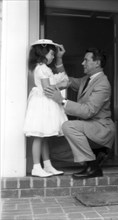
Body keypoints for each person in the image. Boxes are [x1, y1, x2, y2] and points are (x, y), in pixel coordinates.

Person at [44, 47, 115, 179]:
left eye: (86, 60)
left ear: (97, 63)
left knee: (67, 126)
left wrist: (62, 100)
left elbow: (88, 111)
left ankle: (92, 166)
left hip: (101, 129)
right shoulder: (86, 80)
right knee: (55, 152)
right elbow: (67, 80)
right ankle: (96, 154)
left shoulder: (103, 84)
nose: (82, 63)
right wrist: (59, 59)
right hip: (88, 129)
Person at [24, 39, 69, 177]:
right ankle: (36, 167)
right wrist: (61, 85)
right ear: (43, 53)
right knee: (39, 136)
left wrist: (62, 81)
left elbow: (59, 78)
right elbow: (47, 89)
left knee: (45, 136)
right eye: (51, 54)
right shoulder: (42, 68)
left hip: (45, 103)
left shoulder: (44, 68)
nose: (53, 56)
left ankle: (47, 165)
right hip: (42, 104)